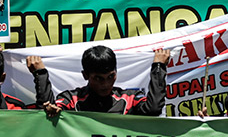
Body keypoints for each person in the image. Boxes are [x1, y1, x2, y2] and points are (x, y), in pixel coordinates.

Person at [41, 46, 171, 115]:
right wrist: (40, 74)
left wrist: (158, 68)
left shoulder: (130, 98)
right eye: (98, 78)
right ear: (85, 75)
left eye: (110, 77)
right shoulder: (71, 99)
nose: (105, 84)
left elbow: (153, 109)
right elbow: (50, 112)